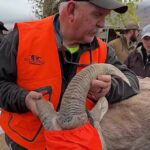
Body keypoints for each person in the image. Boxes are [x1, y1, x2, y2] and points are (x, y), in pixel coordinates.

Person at [0, 0, 139, 149]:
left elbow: (132, 82)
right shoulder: (22, 37)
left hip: (76, 143)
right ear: (71, 10)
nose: (103, 24)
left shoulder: (103, 51)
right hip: (25, 143)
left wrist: (110, 87)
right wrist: (24, 99)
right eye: (97, 15)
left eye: (105, 17)